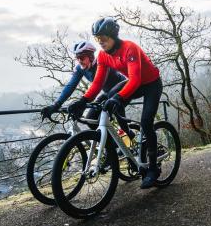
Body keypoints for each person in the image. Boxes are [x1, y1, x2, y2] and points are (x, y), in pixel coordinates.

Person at [67, 17, 163, 189]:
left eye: (103, 38)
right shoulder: (103, 56)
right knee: (106, 104)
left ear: (113, 36)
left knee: (146, 122)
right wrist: (83, 101)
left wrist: (118, 98)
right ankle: (122, 149)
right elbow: (97, 83)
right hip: (134, 84)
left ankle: (153, 169)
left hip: (150, 85)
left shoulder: (129, 48)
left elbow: (135, 79)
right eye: (97, 39)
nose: (100, 42)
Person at [40, 40, 126, 127]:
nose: (79, 61)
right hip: (108, 93)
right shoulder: (80, 68)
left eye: (82, 58)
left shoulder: (103, 63)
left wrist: (82, 103)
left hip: (123, 91)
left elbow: (97, 85)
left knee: (115, 120)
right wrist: (56, 104)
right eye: (77, 58)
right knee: (91, 121)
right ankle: (108, 138)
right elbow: (70, 86)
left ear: (91, 57)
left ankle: (128, 134)